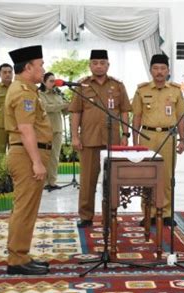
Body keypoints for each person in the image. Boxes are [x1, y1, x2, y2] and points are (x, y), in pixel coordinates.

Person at [69, 50, 131, 228]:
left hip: (113, 142)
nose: (98, 66)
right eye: (95, 62)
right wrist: (74, 136)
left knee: (112, 181)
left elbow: (125, 111)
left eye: (102, 62)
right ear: (90, 65)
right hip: (89, 140)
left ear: (108, 65)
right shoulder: (83, 86)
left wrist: (125, 135)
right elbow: (76, 112)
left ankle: (110, 215)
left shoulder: (118, 86)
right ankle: (86, 216)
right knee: (87, 181)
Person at [4, 45, 52, 275]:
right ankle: (17, 260)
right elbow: (25, 129)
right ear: (28, 67)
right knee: (24, 208)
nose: (43, 69)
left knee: (26, 208)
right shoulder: (22, 91)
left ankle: (20, 254)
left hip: (26, 153)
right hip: (25, 155)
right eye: (40, 65)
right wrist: (37, 162)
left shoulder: (27, 89)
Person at [131, 54, 184, 227]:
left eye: (163, 68)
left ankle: (167, 213)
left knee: (167, 175)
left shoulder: (175, 91)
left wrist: (182, 139)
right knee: (147, 176)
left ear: (168, 70)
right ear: (151, 70)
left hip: (168, 136)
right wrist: (135, 142)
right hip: (147, 137)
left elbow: (181, 117)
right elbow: (137, 117)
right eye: (156, 68)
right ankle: (149, 213)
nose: (159, 72)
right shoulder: (142, 90)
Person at [39, 72, 68, 191]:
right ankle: (43, 181)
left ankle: (52, 182)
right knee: (45, 156)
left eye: (54, 81)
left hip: (58, 128)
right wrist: (63, 105)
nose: (53, 83)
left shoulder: (58, 94)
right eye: (51, 81)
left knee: (55, 156)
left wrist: (68, 107)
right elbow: (46, 108)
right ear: (44, 82)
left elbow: (64, 111)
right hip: (46, 129)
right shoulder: (40, 94)